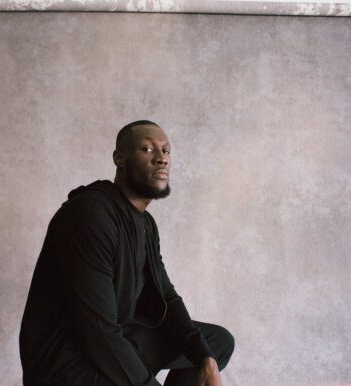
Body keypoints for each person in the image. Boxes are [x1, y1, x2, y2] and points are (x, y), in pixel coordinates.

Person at [19, 120, 234, 386]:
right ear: (119, 158)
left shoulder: (145, 224)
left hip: (107, 339)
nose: (161, 159)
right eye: (147, 149)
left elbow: (166, 298)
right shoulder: (90, 214)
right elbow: (97, 330)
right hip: (67, 364)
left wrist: (204, 359)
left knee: (215, 343)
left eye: (166, 151)